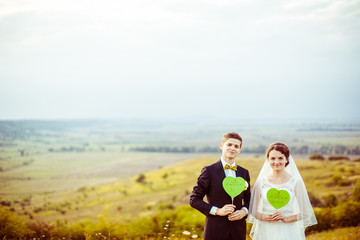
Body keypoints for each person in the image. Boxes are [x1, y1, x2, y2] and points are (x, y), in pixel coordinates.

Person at [248, 142, 317, 240]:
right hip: (265, 229)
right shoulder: (261, 182)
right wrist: (263, 217)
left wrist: (286, 218)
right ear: (268, 160)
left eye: (280, 158)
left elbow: (305, 213)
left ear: (287, 159)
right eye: (272, 158)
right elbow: (253, 210)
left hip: (288, 231)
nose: (276, 162)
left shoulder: (295, 182)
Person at [190, 132, 251, 240]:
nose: (232, 148)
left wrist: (244, 211)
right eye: (229, 145)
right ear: (221, 146)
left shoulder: (244, 172)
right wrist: (217, 211)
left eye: (236, 146)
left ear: (239, 150)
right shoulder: (209, 171)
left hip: (238, 232)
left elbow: (249, 200)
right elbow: (194, 199)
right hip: (214, 231)